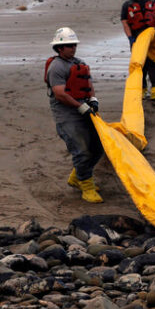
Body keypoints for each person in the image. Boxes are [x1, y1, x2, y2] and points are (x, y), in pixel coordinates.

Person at [45, 27, 104, 204]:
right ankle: (86, 186)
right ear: (59, 48)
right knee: (82, 150)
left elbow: (88, 84)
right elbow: (60, 94)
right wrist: (80, 107)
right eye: (69, 45)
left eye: (74, 45)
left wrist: (93, 100)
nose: (73, 48)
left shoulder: (79, 63)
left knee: (98, 147)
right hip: (67, 116)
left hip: (84, 110)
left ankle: (78, 176)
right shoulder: (56, 68)